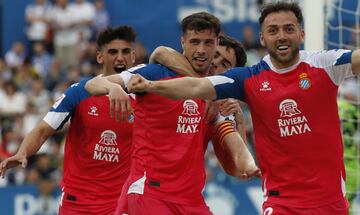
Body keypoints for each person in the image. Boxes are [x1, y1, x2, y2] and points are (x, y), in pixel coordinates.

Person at [126, 2, 360, 215]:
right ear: (261, 38)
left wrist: (247, 158)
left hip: (331, 202)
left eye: (289, 29)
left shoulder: (323, 64)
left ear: (302, 33)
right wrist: (148, 85)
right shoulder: (241, 79)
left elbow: (235, 159)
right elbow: (165, 59)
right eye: (273, 30)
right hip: (280, 203)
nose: (281, 36)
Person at [85, 12, 258, 215]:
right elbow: (94, 83)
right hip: (150, 192)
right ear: (183, 43)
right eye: (196, 42)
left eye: (225, 64)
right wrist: (113, 87)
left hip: (190, 201)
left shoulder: (218, 104)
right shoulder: (158, 73)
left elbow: (235, 167)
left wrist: (238, 121)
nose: (214, 63)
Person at [0, 25, 137, 215]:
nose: (120, 57)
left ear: (133, 56)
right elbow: (42, 131)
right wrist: (22, 152)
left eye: (125, 51)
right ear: (100, 57)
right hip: (78, 201)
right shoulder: (78, 92)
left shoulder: (146, 97)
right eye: (113, 52)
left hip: (121, 202)